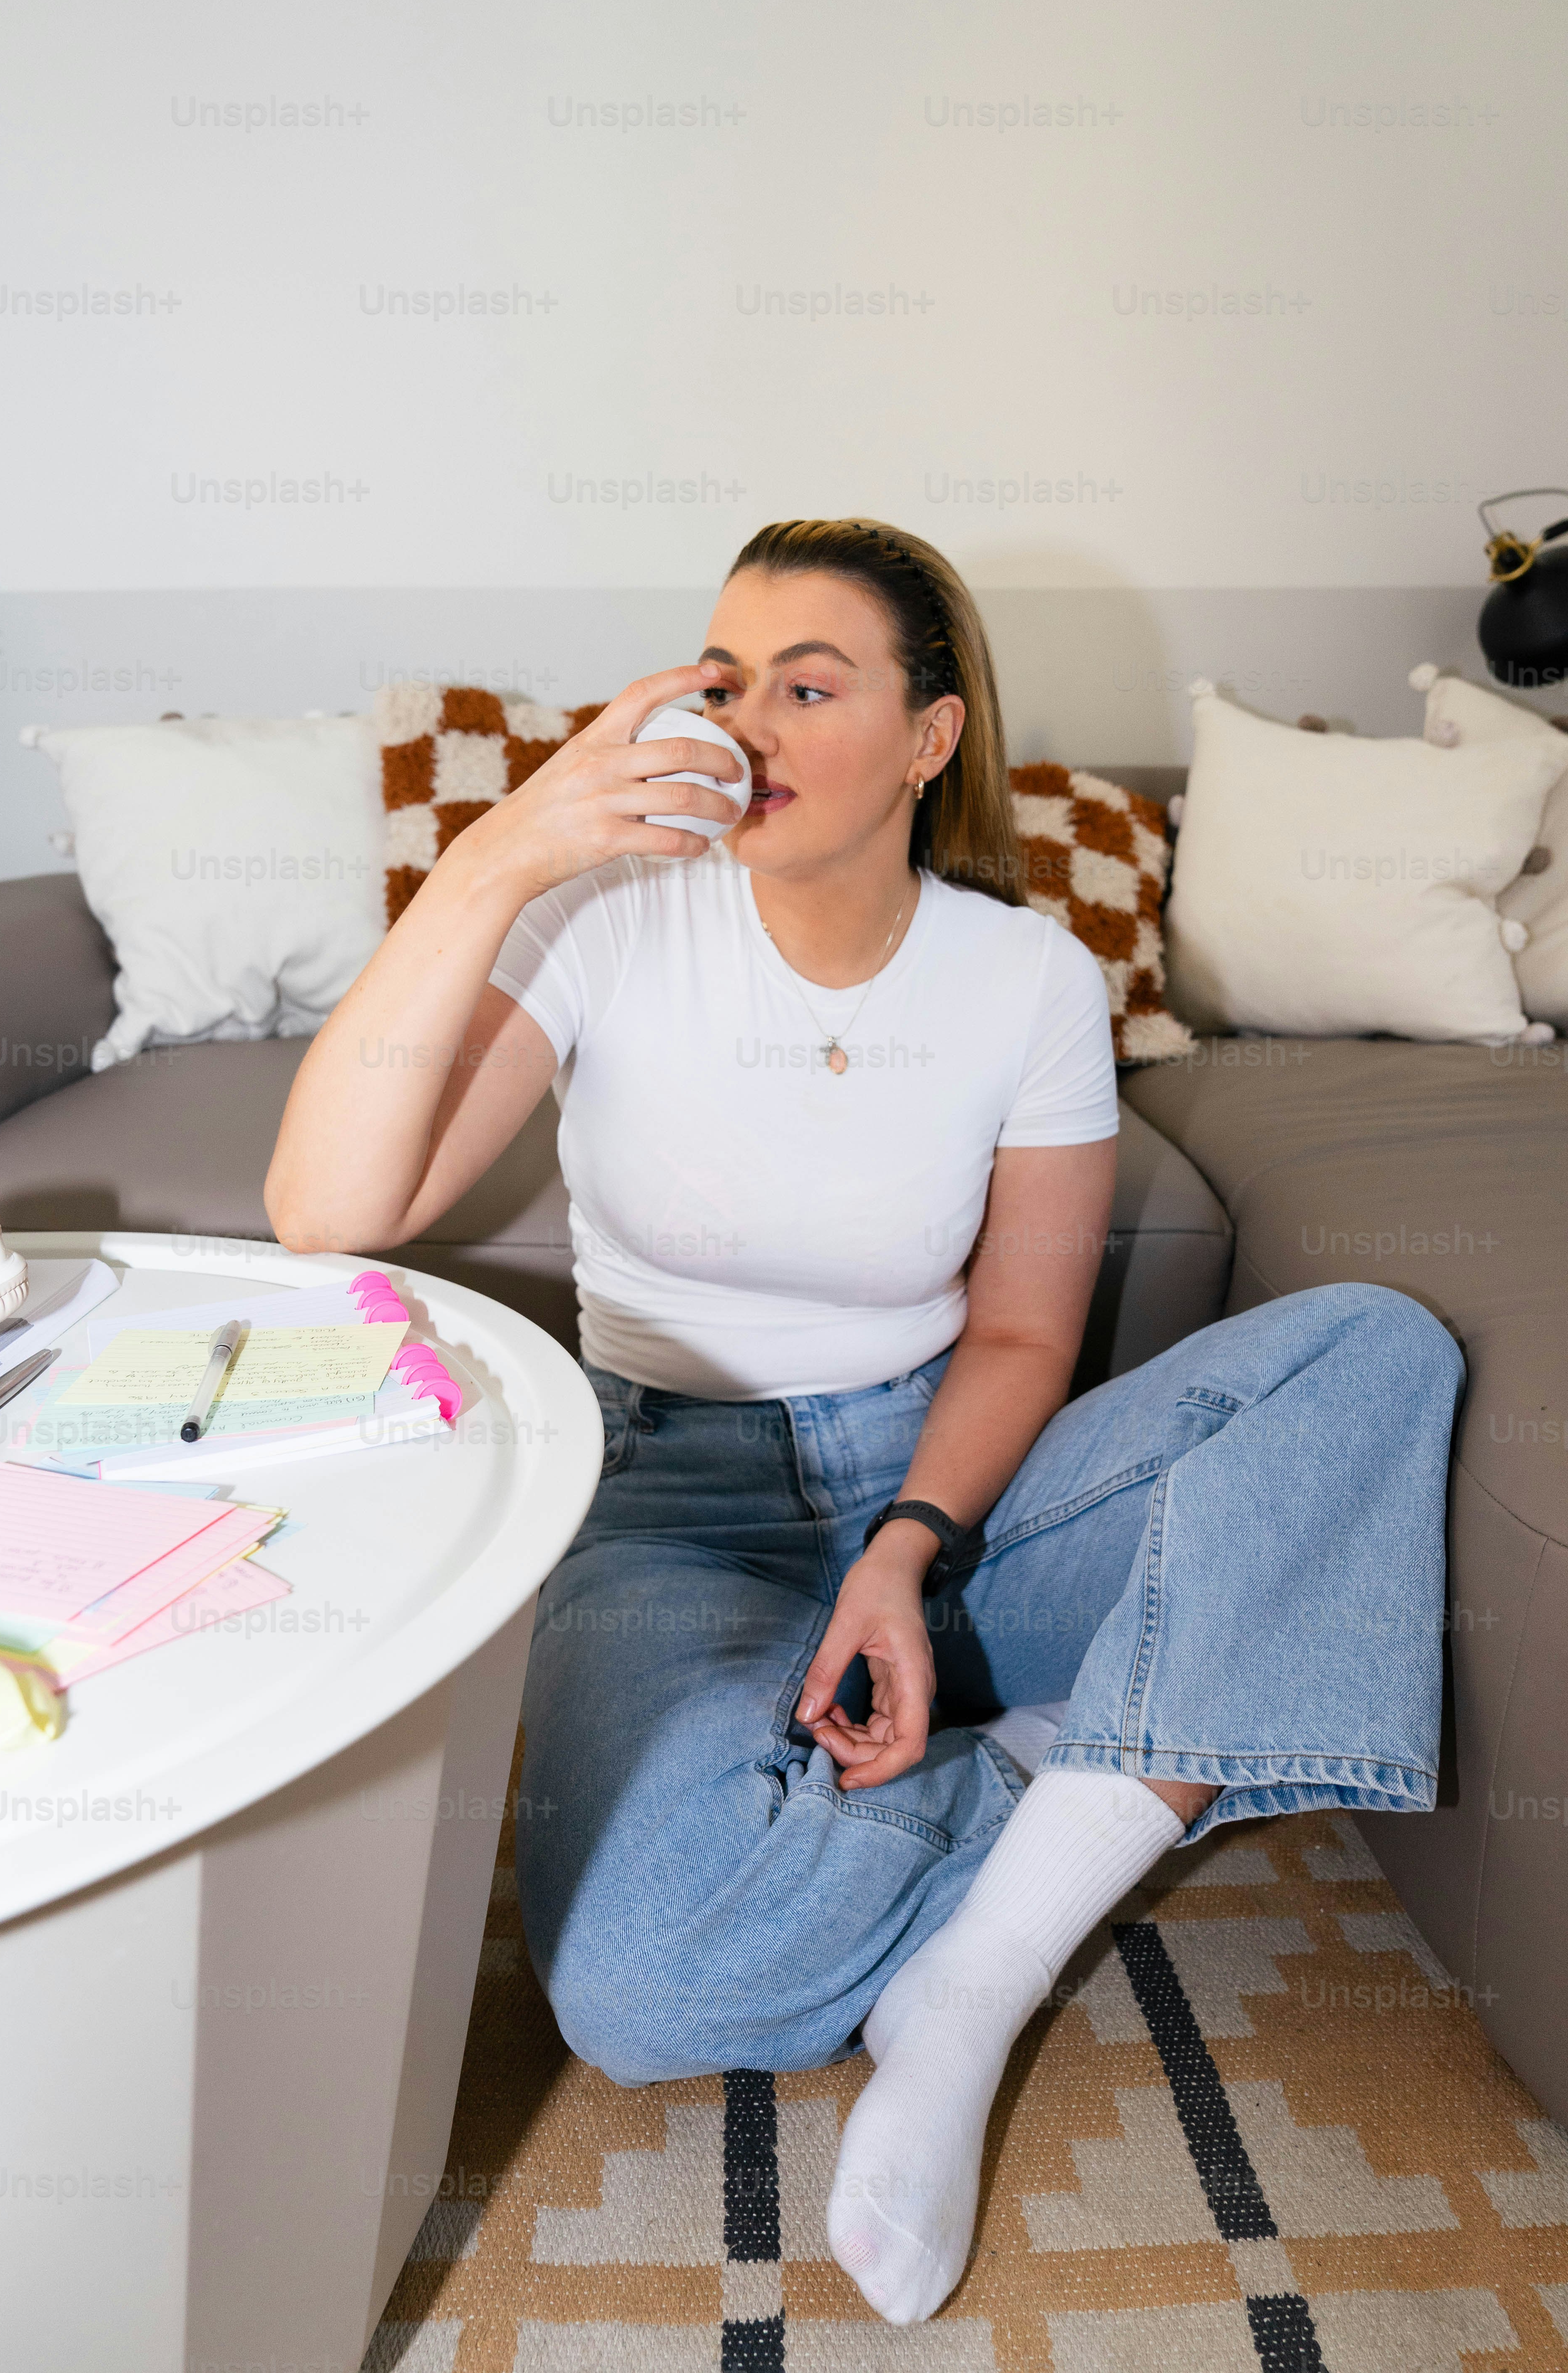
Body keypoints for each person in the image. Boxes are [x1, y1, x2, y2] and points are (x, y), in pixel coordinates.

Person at [266, 518, 1460, 2326]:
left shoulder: (1026, 978)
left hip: (943, 1483)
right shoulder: (598, 925)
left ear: (927, 738)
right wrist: (501, 854)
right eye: (722, 680)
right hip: (668, 1491)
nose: (744, 728)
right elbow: (326, 1212)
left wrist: (909, 1550)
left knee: (1368, 1353)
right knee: (640, 1987)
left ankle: (976, 1973)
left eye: (808, 687)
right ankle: (1092, 1756)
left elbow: (1020, 1333)